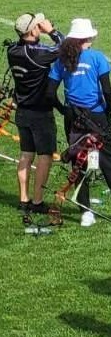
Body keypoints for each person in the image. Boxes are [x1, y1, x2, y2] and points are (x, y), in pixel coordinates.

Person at [44, 18, 111, 228]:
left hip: (73, 117)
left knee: (78, 162)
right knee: (109, 162)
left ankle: (86, 213)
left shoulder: (61, 61)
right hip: (97, 117)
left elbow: (49, 93)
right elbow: (107, 90)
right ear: (87, 38)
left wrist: (63, 109)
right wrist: (107, 111)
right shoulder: (97, 57)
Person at [6, 13, 64, 215]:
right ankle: (37, 201)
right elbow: (64, 48)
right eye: (37, 26)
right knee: (45, 156)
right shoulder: (37, 54)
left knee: (25, 155)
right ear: (32, 31)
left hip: (22, 110)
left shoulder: (13, 50)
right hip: (40, 113)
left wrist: (40, 30)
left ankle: (23, 198)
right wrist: (52, 31)